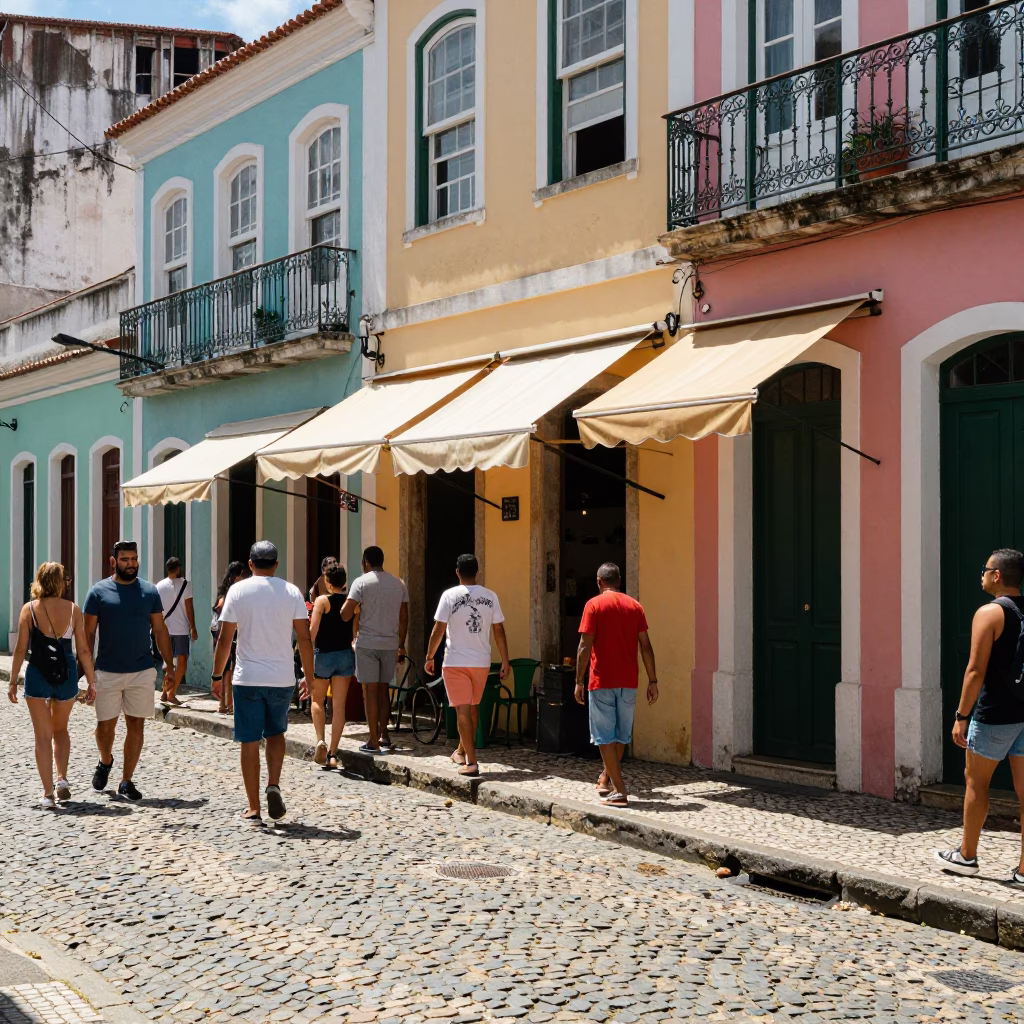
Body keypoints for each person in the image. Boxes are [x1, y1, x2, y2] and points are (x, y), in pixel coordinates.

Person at [935, 548, 1024, 889]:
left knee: (976, 782)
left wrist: (961, 716)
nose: (981, 575)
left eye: (985, 570)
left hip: (995, 715)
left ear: (997, 575)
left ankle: (967, 856)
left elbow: (975, 670)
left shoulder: (989, 613)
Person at [212, 540, 313, 825]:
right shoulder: (292, 592)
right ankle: (274, 785)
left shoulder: (237, 591)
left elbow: (225, 639)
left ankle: (254, 807)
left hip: (247, 678)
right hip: (282, 678)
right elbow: (304, 638)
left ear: (250, 564)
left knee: (249, 740)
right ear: (276, 565)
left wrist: (217, 676)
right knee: (276, 733)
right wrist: (310, 677)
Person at [83, 540, 173, 801]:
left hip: (141, 670)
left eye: (134, 559)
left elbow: (160, 629)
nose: (131, 564)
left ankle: (126, 781)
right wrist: (87, 671)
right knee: (105, 727)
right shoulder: (98, 592)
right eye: (125, 559)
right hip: (107, 670)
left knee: (136, 725)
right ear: (114, 561)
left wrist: (169, 665)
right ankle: (105, 760)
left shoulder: (150, 592)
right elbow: (88, 634)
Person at [7, 562, 97, 808]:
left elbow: (21, 649)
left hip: (38, 672)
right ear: (61, 583)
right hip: (66, 672)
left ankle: (47, 794)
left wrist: (13, 680)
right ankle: (62, 779)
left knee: (42, 736)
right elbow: (84, 651)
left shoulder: (29, 610)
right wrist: (91, 682)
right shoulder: (73, 610)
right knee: (61, 730)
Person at [574, 562, 658, 808]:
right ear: (619, 581)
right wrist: (653, 680)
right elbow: (646, 645)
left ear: (599, 582)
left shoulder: (593, 605)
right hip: (629, 681)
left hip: (602, 680)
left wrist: (578, 680)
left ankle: (620, 791)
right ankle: (606, 778)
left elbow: (584, 645)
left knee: (604, 737)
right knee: (621, 736)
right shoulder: (635, 606)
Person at [425, 554, 509, 777]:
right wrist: (505, 659)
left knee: (463, 709)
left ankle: (472, 762)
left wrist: (429, 656)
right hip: (481, 662)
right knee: (472, 707)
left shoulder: (449, 595)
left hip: (456, 661)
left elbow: (438, 629)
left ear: (457, 572)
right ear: (478, 572)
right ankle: (461, 752)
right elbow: (499, 631)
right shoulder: (490, 596)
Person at [341, 546, 408, 755]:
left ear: (365, 562)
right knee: (383, 690)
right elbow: (404, 617)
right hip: (390, 643)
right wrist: (401, 644)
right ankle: (384, 735)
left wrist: (354, 608)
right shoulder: (398, 583)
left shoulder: (361, 582)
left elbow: (345, 614)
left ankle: (372, 740)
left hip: (368, 643)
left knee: (369, 692)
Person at [309, 564, 355, 768]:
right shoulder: (351, 603)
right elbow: (354, 632)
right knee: (339, 706)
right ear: (344, 582)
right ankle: (333, 754)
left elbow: (312, 631)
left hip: (324, 655)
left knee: (317, 700)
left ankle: (320, 740)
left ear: (327, 582)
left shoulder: (321, 601)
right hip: (345, 655)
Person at [156, 556, 197, 707]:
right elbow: (189, 608)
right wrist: (193, 627)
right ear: (179, 568)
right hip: (181, 630)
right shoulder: (186, 584)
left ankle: (164, 691)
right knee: (182, 662)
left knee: (168, 663)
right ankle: (171, 693)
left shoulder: (159, 586)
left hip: (164, 629)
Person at [212, 561, 247, 714]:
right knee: (229, 670)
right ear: (238, 576)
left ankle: (222, 704)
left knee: (225, 669)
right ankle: (230, 705)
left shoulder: (223, 592)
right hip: (230, 634)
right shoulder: (235, 593)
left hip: (219, 633)